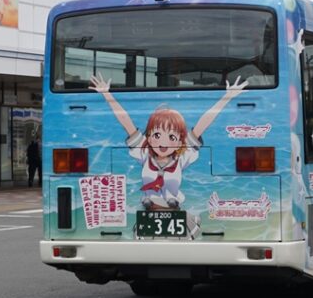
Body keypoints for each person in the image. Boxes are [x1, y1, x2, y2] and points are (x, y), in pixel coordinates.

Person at [90, 72, 248, 210]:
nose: (163, 143)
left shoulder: (182, 155)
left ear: (180, 140)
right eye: (157, 135)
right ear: (149, 136)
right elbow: (125, 120)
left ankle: (171, 200)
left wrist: (227, 97)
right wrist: (106, 94)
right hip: (149, 207)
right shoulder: (144, 151)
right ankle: (150, 199)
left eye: (172, 137)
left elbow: (203, 123)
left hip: (174, 208)